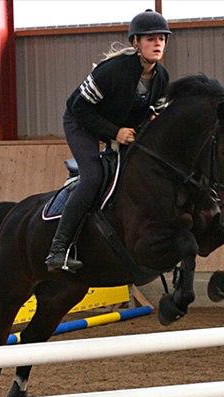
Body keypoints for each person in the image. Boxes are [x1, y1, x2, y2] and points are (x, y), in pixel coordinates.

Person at [45, 9, 172, 273]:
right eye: (150, 38)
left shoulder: (162, 78)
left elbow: (150, 115)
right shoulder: (112, 71)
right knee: (92, 177)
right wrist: (115, 134)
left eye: (161, 38)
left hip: (118, 126)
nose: (157, 43)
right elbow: (80, 109)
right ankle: (58, 249)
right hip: (81, 122)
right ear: (135, 42)